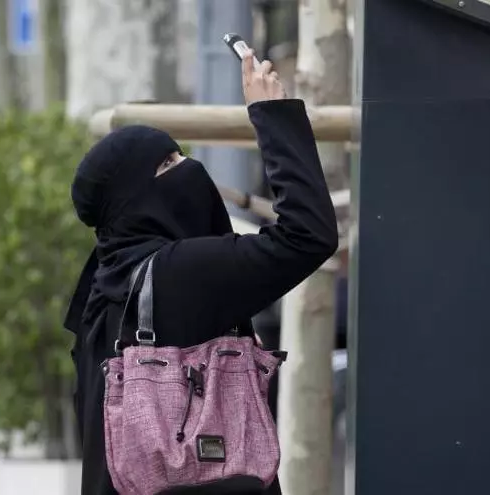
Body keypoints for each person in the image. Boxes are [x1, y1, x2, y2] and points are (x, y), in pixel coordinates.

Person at [64, 50, 338, 495]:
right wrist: (273, 114)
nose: (190, 169)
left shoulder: (102, 281)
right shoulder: (182, 273)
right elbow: (309, 236)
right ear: (135, 197)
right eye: (168, 164)